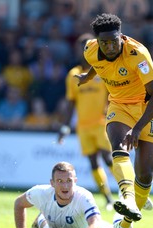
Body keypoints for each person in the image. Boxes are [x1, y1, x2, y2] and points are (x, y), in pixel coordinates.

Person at [74, 13, 153, 228]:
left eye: (114, 41)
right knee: (118, 147)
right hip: (119, 107)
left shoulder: (138, 54)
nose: (110, 46)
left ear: (121, 37)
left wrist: (137, 130)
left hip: (148, 110)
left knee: (145, 176)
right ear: (98, 42)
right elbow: (99, 64)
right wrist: (88, 77)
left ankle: (124, 225)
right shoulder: (90, 50)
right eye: (105, 43)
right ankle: (127, 199)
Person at [58, 33, 115, 211]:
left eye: (88, 48)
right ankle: (108, 199)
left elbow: (113, 95)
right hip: (83, 126)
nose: (85, 52)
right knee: (93, 162)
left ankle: (126, 190)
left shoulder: (103, 70)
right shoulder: (73, 74)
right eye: (82, 48)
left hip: (101, 123)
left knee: (108, 158)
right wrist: (65, 126)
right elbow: (70, 102)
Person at [14, 161, 115, 228]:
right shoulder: (41, 192)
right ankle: (41, 219)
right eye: (59, 181)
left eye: (69, 180)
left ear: (75, 181)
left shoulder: (84, 196)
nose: (65, 186)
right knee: (43, 225)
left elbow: (98, 227)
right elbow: (19, 203)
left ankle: (41, 217)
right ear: (52, 183)